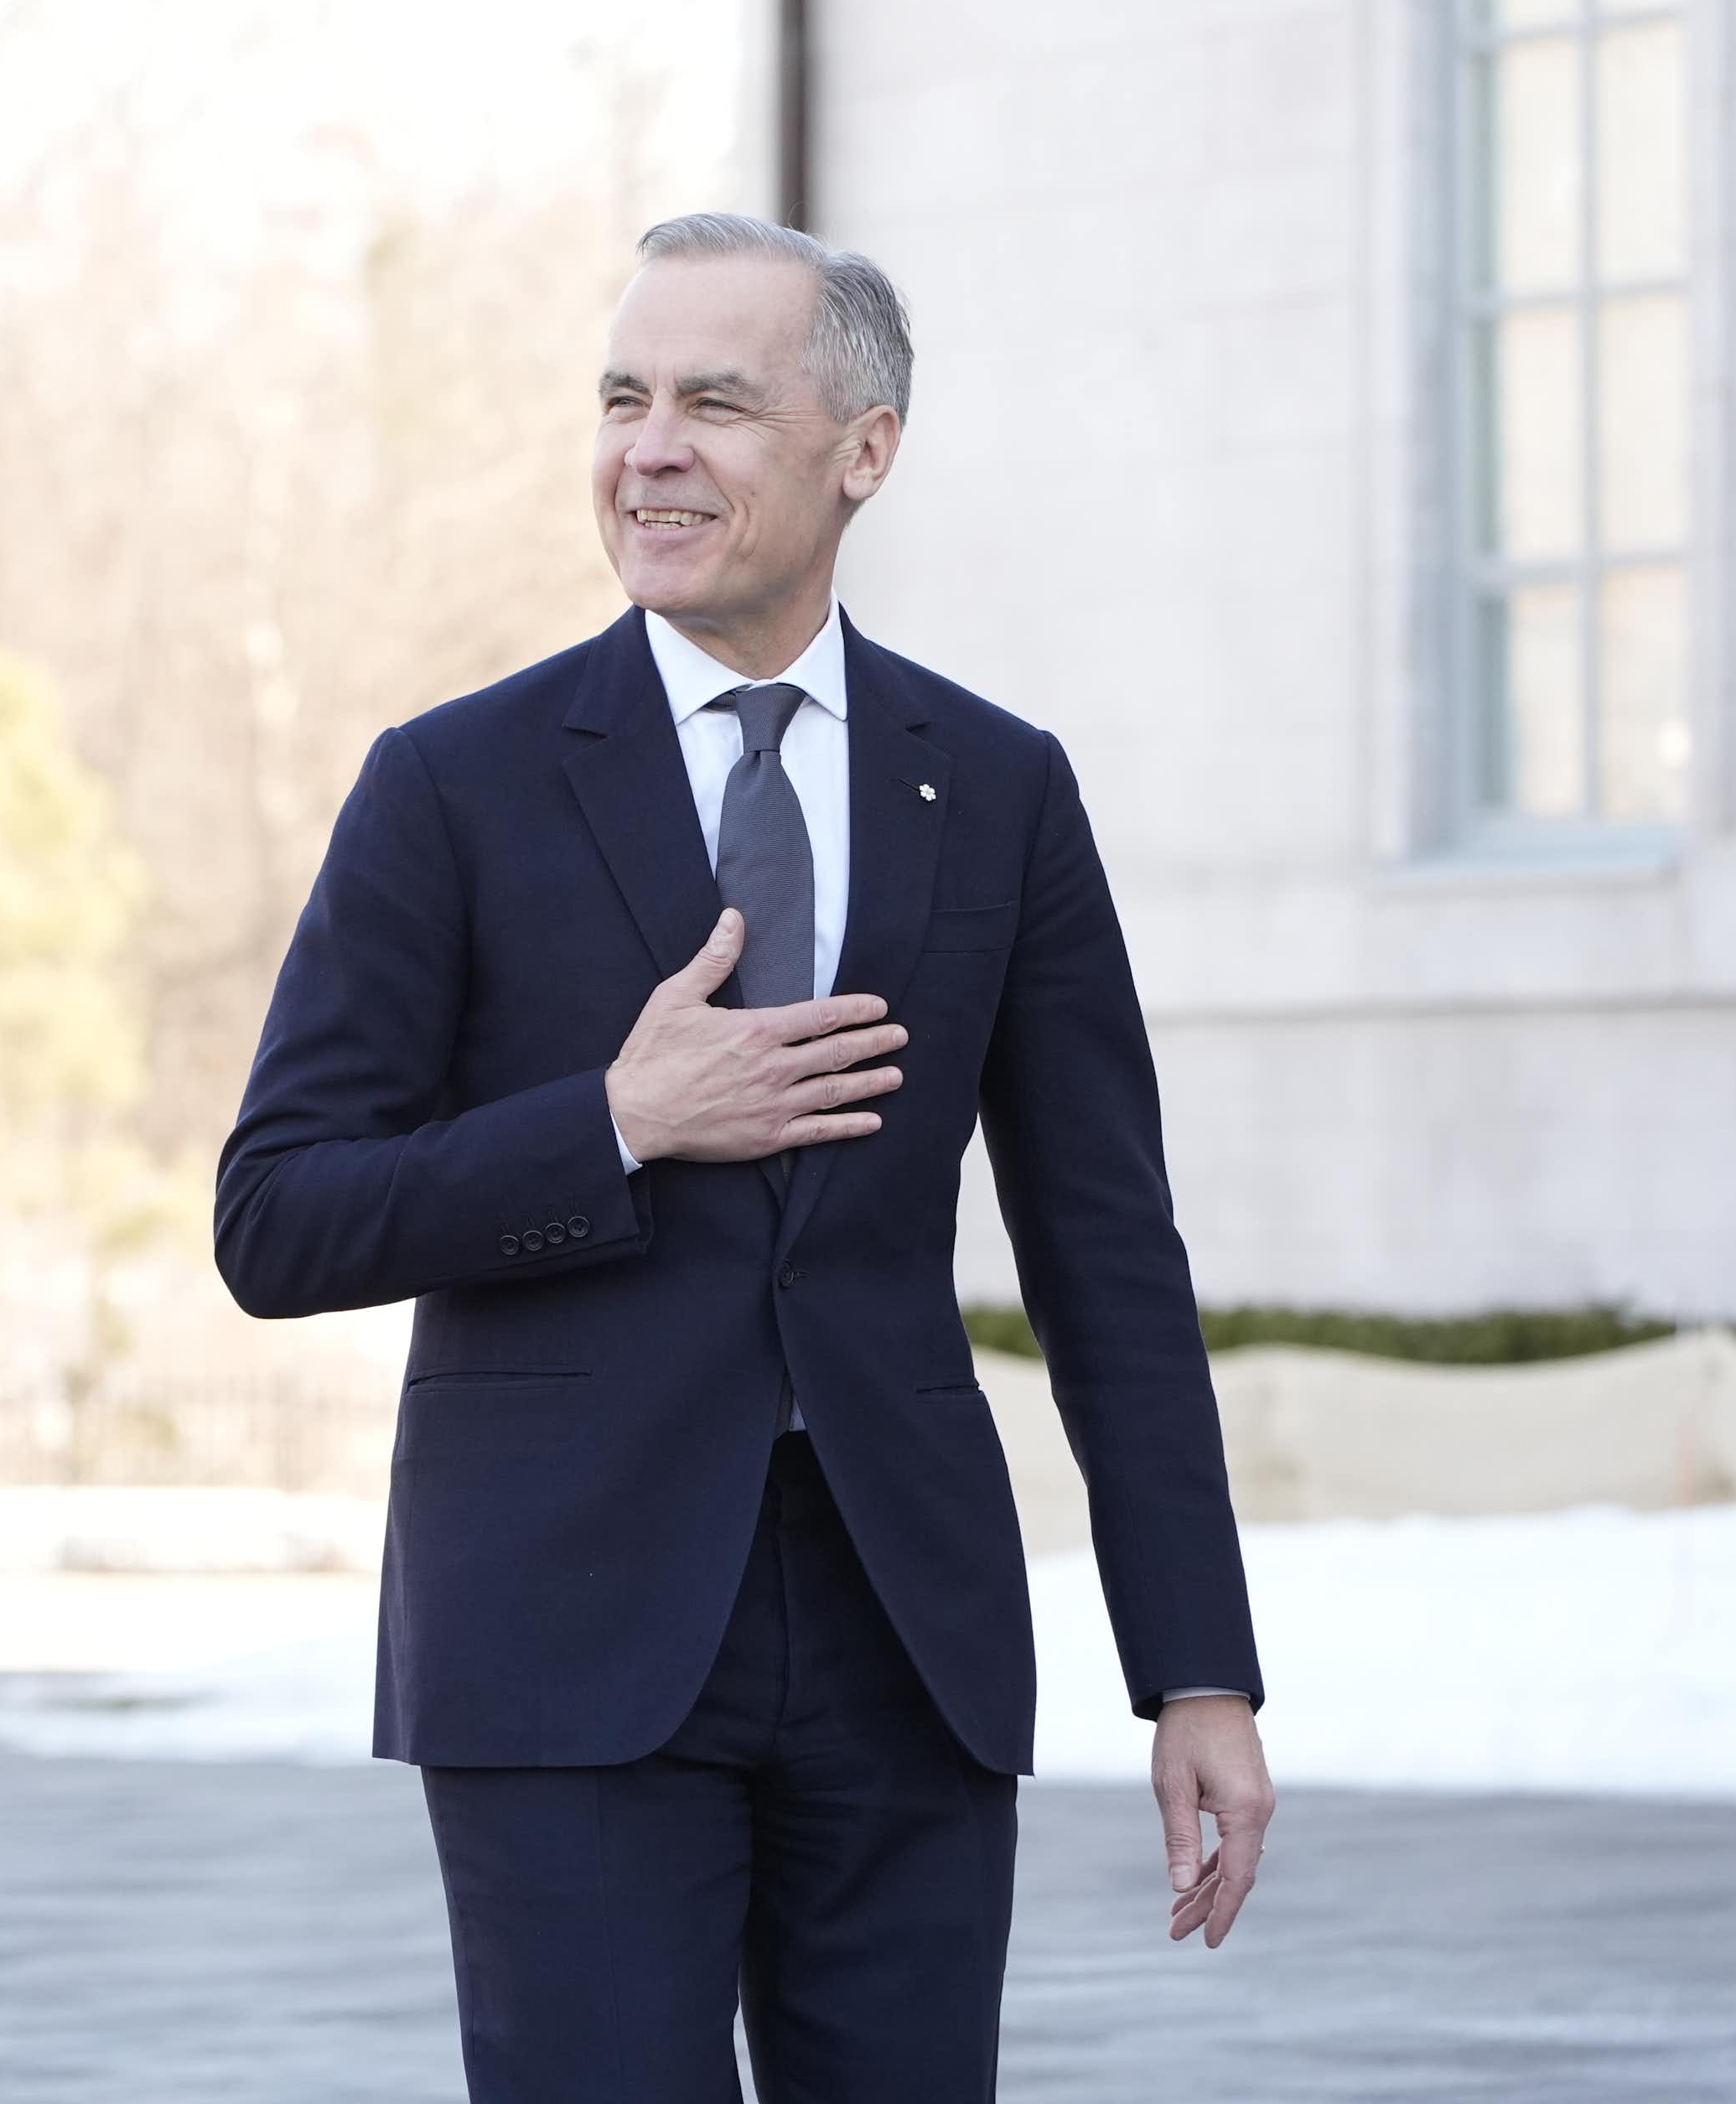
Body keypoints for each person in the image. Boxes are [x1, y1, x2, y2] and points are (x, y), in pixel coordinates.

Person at [215, 210, 1274, 2103]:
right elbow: (275, 1212)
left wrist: (1195, 1667)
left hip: (905, 1632)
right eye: (622, 397)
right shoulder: (449, 783)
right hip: (564, 1637)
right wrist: (617, 1122)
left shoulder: (1000, 785)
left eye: (713, 399)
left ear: (860, 449)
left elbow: (1106, 1250)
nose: (647, 447)